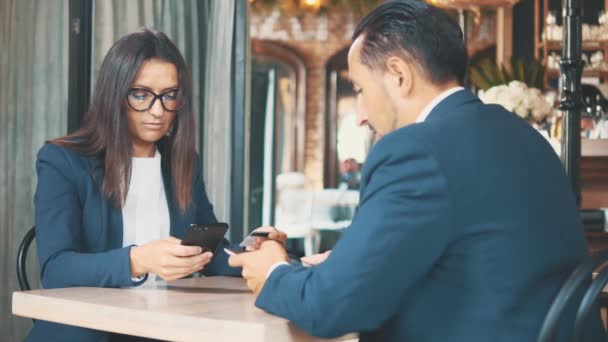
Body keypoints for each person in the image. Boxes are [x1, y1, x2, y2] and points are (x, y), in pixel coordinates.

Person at [228, 1, 602, 341]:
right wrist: (354, 261)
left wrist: (274, 272)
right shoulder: (523, 136)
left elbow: (331, 309)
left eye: (359, 88)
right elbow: (482, 253)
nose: (360, 115)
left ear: (398, 75)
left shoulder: (415, 151)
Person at [30, 29, 285, 341]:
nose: (157, 110)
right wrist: (137, 260)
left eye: (169, 95)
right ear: (115, 95)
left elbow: (207, 251)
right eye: (141, 94)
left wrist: (253, 253)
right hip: (89, 331)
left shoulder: (181, 161)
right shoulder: (63, 161)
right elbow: (56, 269)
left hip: (164, 327)